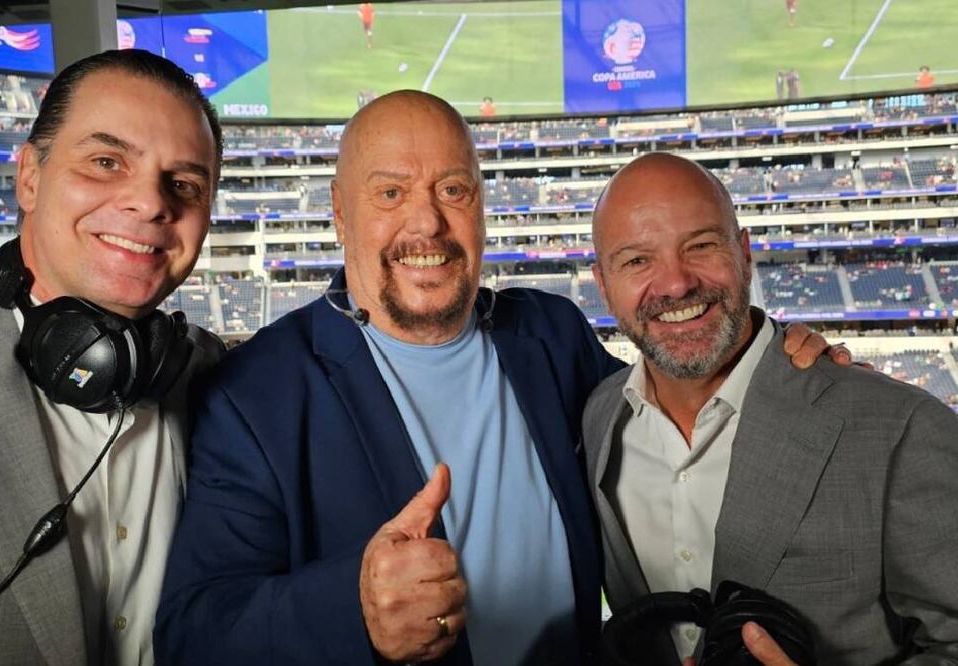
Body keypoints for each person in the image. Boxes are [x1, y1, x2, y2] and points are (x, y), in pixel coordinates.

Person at [155, 92, 838, 665]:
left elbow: (675, 406)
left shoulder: (549, 334)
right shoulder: (256, 394)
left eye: (452, 190)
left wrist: (772, 355)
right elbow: (193, 631)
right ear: (339, 212)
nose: (427, 222)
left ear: (481, 204)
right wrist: (353, 608)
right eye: (390, 193)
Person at [0, 49, 224, 665]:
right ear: (29, 178)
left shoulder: (213, 375)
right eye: (106, 162)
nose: (150, 203)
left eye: (185, 185)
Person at [583, 153, 958, 664]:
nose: (676, 284)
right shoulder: (599, 418)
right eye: (636, 261)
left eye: (701, 246)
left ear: (744, 253)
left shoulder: (901, 429)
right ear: (603, 286)